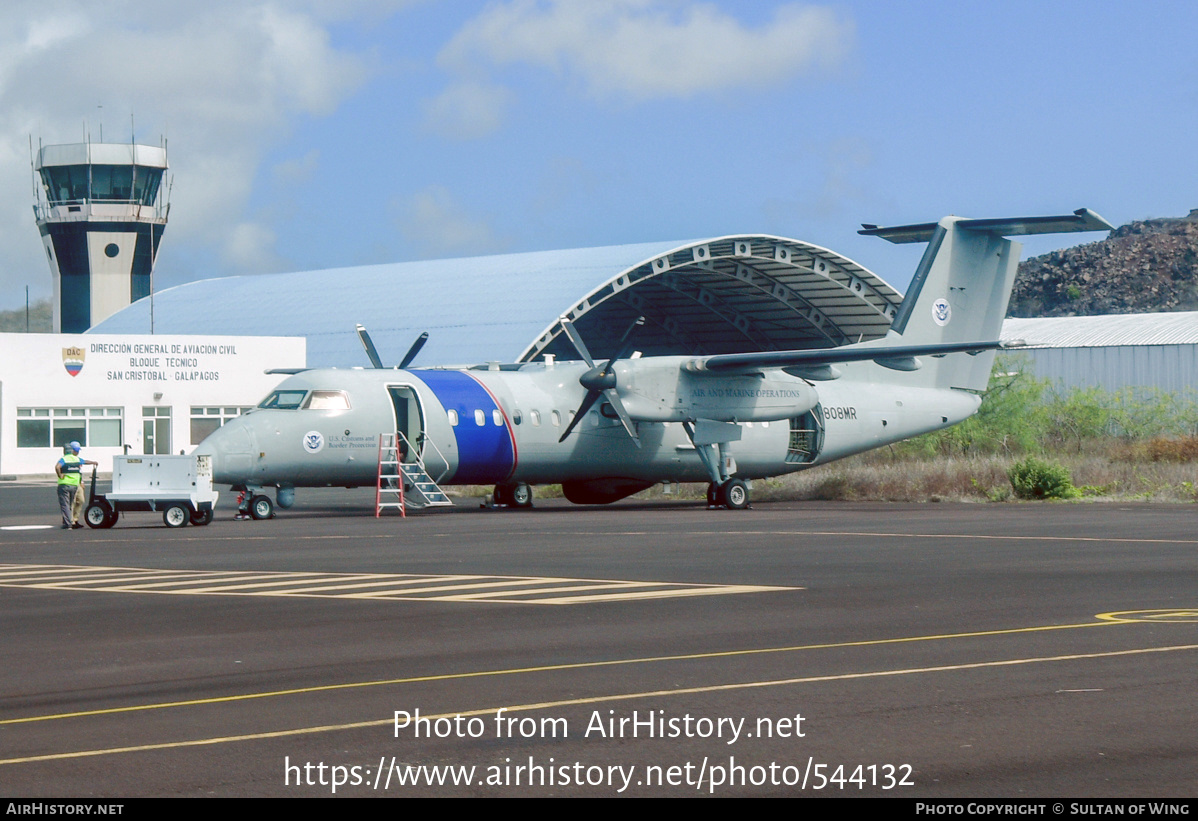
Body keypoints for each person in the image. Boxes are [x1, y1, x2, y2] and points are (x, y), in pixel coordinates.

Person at [56, 441, 97, 529]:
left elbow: (57, 467)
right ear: (72, 450)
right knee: (70, 504)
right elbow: (84, 462)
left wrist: (60, 475)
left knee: (69, 504)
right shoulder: (75, 459)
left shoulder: (67, 459)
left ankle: (70, 522)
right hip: (73, 484)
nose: (77, 452)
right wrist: (93, 462)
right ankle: (70, 521)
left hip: (67, 484)